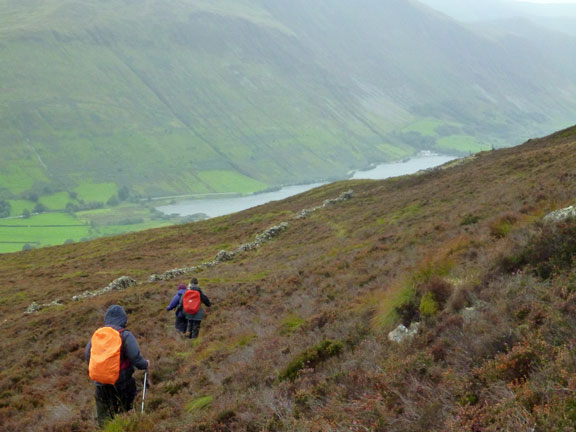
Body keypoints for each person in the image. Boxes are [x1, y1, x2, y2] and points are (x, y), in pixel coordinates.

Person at [85, 305, 150, 427]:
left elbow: (88, 355)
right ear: (123, 319)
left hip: (100, 383)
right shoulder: (124, 335)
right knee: (127, 410)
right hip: (122, 382)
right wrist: (145, 364)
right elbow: (135, 357)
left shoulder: (97, 335)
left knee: (105, 417)